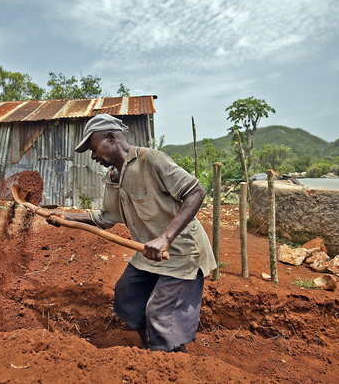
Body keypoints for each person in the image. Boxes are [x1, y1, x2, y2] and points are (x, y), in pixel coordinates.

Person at [48, 113, 217, 352]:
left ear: (111, 137)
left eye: (94, 149)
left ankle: (172, 358)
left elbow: (196, 192)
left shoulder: (152, 160)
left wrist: (165, 238)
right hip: (149, 253)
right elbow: (105, 218)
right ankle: (150, 348)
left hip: (182, 253)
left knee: (161, 313)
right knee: (128, 294)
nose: (93, 156)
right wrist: (67, 217)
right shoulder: (113, 178)